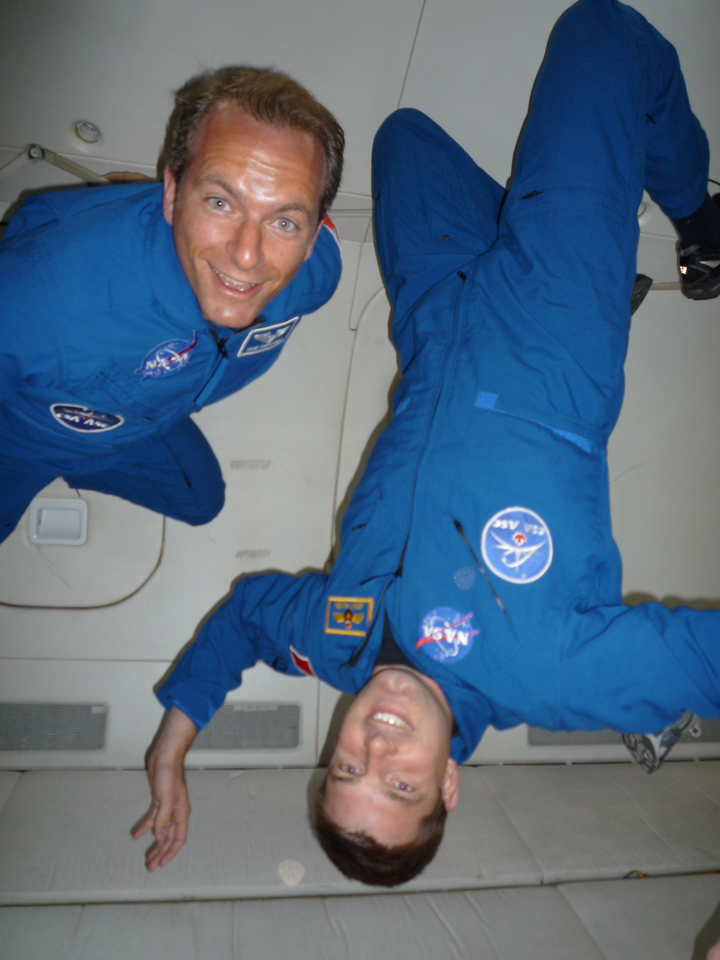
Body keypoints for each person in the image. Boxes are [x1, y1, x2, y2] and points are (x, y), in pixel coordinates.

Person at [133, 0, 720, 885]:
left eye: (346, 767)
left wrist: (172, 746)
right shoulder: (550, 678)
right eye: (399, 782)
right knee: (602, 33)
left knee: (401, 140)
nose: (375, 744)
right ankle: (694, 219)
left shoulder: (334, 644)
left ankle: (555, 222)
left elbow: (246, 619)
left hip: (437, 322)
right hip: (549, 329)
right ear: (448, 785)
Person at [0, 67, 344, 543]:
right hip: (20, 442)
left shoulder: (316, 276)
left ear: (308, 241)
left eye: (284, 222)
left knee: (201, 501)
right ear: (172, 195)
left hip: (143, 421)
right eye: (220, 203)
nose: (247, 255)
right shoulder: (38, 301)